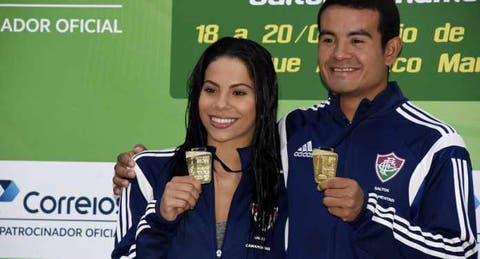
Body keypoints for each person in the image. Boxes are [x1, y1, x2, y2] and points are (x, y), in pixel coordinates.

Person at [113, 0, 478, 258]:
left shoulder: (435, 143)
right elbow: (224, 139)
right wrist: (139, 170)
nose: (339, 54)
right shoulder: (293, 130)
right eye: (328, 39)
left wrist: (369, 216)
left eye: (357, 40)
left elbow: (462, 250)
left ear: (391, 49)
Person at [112, 37, 286, 258]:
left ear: (263, 99)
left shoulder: (289, 178)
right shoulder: (148, 171)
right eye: (211, 90)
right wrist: (160, 220)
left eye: (239, 92)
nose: (221, 104)